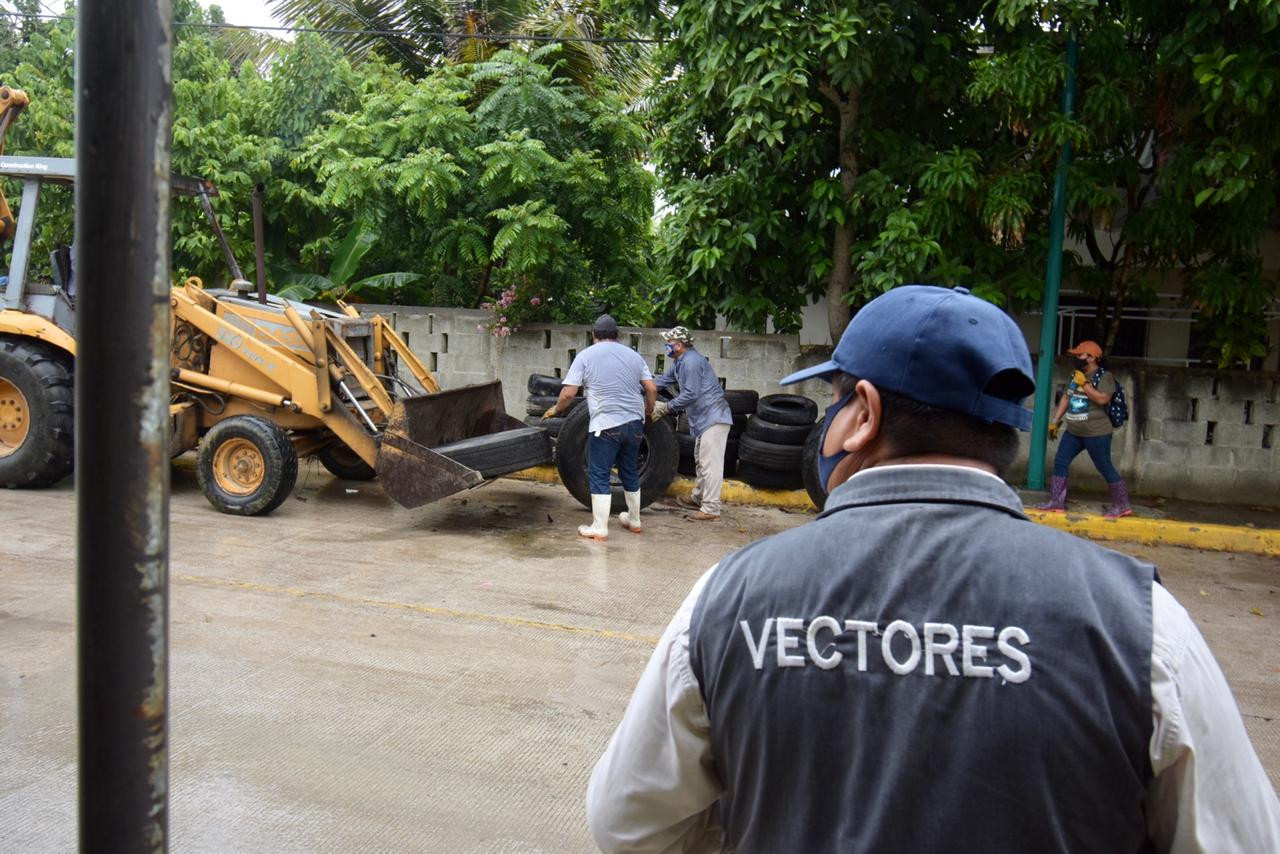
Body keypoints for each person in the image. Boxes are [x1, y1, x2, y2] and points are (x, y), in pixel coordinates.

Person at [585, 285, 1279, 853]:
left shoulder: (728, 599)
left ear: (865, 414)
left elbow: (626, 824)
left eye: (834, 401)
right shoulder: (1142, 625)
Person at [544, 314, 656, 540]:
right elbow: (651, 389)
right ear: (617, 335)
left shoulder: (586, 355)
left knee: (599, 473)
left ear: (594, 335)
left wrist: (556, 410)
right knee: (629, 471)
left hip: (606, 425)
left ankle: (599, 527)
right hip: (634, 423)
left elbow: (568, 393)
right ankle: (634, 520)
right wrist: (648, 410)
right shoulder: (634, 356)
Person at [1037, 339, 1132, 517]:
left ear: (1091, 357)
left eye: (1080, 355)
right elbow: (1066, 397)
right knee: (1061, 461)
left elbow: (1103, 399)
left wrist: (1085, 384)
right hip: (1074, 431)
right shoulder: (1075, 374)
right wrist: (1055, 420)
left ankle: (1122, 504)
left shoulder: (1104, 376)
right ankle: (1056, 502)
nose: (1077, 358)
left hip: (1096, 433)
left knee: (1104, 466)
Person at [651, 326, 733, 521]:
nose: (666, 346)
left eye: (669, 343)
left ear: (679, 345)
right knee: (701, 461)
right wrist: (643, 385)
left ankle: (711, 508)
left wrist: (666, 407)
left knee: (710, 464)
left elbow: (690, 394)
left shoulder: (692, 362)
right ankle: (699, 498)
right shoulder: (680, 362)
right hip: (705, 419)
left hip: (715, 417)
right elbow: (663, 381)